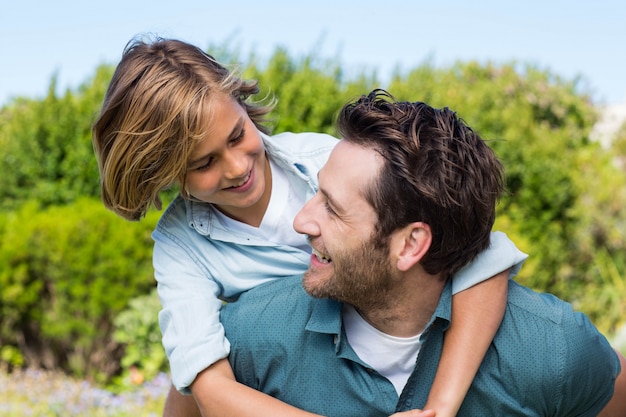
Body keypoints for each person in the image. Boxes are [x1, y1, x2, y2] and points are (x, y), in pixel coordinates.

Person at [93, 37, 524, 417]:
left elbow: (483, 255)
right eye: (204, 163)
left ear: (242, 105)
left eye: (237, 134)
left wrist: (441, 408)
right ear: (163, 174)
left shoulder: (325, 160)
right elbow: (211, 388)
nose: (238, 167)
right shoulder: (180, 246)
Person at [218, 90, 626, 416]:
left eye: (333, 208)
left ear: (411, 244)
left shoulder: (553, 348)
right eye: (316, 194)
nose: (302, 222)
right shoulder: (248, 335)